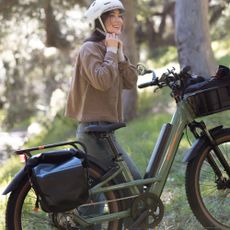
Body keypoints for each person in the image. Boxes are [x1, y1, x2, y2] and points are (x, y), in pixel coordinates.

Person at [65, 0, 141, 182]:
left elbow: (131, 82)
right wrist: (112, 52)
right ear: (99, 20)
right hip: (93, 132)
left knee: (106, 190)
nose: (118, 20)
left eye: (119, 15)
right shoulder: (89, 48)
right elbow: (102, 81)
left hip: (105, 130)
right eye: (111, 16)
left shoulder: (112, 47)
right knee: (130, 183)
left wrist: (121, 57)